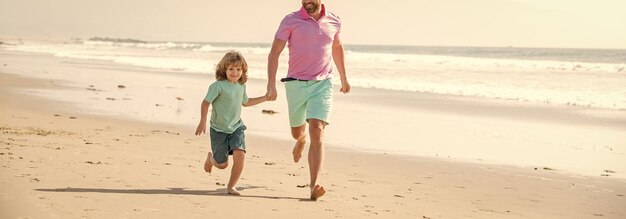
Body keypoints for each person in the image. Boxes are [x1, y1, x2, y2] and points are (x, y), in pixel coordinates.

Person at [266, 0, 350, 200]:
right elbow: (274, 52)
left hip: (322, 84)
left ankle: (314, 185)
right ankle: (301, 140)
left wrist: (344, 77)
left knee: (317, 130)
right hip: (295, 84)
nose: (307, 2)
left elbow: (336, 47)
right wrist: (271, 84)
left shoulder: (334, 21)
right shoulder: (290, 20)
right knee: (298, 132)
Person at [195, 51, 267, 195]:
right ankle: (211, 158)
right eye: (231, 69)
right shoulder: (218, 86)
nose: (235, 72)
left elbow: (246, 102)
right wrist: (202, 121)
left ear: (243, 70)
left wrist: (265, 98)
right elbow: (205, 103)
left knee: (240, 154)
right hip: (218, 129)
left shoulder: (241, 86)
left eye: (238, 69)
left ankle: (231, 186)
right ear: (224, 69)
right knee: (222, 165)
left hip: (236, 127)